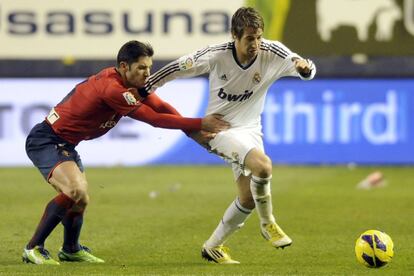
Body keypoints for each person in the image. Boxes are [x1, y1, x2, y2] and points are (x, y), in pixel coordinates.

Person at [22, 40, 229, 265]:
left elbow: (161, 107)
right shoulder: (112, 88)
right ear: (124, 66)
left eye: (149, 67)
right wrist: (200, 122)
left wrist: (192, 129)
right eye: (141, 68)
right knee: (75, 190)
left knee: (80, 199)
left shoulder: (132, 85)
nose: (147, 73)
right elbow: (155, 119)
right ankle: (33, 248)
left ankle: (70, 249)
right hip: (46, 140)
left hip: (66, 144)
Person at [137, 7, 316, 264]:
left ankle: (212, 247)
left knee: (247, 198)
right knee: (263, 167)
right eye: (249, 38)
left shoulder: (272, 52)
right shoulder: (215, 55)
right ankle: (268, 224)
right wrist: (146, 88)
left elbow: (305, 68)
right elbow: (177, 68)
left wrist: (305, 68)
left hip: (251, 130)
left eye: (258, 37)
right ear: (234, 35)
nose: (255, 44)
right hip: (218, 129)